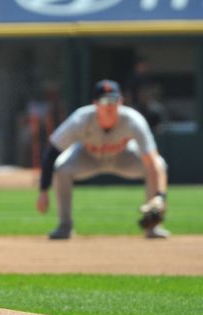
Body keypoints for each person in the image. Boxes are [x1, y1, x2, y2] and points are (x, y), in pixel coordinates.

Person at [36, 79, 170, 240]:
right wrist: (43, 191)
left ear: (121, 101)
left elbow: (153, 162)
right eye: (104, 100)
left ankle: (153, 227)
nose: (109, 106)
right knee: (62, 168)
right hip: (87, 157)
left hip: (123, 156)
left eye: (114, 100)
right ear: (95, 103)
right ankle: (64, 226)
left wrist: (160, 197)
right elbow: (51, 152)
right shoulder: (80, 119)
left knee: (159, 164)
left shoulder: (134, 120)